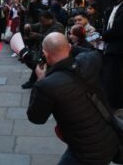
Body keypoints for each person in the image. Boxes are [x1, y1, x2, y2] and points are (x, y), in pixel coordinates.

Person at [27, 32, 119, 165]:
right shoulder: (91, 60)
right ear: (69, 47)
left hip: (86, 153)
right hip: (109, 138)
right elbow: (92, 51)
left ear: (46, 54)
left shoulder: (46, 84)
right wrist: (67, 46)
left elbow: (36, 118)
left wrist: (39, 80)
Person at [102, 0, 123, 110]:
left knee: (114, 78)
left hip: (118, 50)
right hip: (112, 48)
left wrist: (103, 35)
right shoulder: (115, 6)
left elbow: (117, 29)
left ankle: (114, 105)